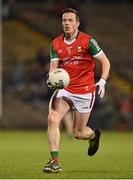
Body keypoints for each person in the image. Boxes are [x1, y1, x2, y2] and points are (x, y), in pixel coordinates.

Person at [43, 8, 110, 173]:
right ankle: (54, 161)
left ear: (77, 23)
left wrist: (102, 81)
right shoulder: (56, 43)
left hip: (85, 91)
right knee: (53, 118)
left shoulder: (88, 41)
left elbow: (105, 61)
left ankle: (93, 137)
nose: (67, 23)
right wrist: (50, 77)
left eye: (70, 20)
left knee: (79, 133)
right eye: (64, 20)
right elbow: (53, 68)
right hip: (65, 90)